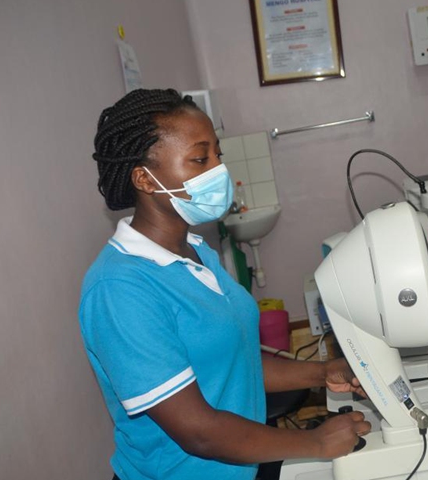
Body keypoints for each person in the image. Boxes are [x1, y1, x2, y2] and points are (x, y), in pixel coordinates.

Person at [79, 88, 371, 480]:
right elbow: (198, 432)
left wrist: (322, 372)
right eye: (199, 159)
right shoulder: (120, 289)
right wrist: (316, 443)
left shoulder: (198, 253)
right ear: (144, 180)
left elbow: (236, 361)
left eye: (218, 155)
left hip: (244, 461)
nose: (218, 170)